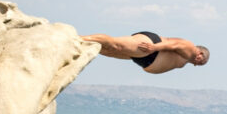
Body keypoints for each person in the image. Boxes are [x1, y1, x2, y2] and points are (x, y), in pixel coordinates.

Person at [81, 31, 209, 75]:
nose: (196, 64)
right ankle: (77, 39)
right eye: (200, 62)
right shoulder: (191, 49)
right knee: (115, 44)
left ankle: (81, 44)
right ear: (200, 54)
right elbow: (175, 43)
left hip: (146, 58)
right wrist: (154, 47)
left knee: (107, 50)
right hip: (151, 47)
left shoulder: (186, 59)